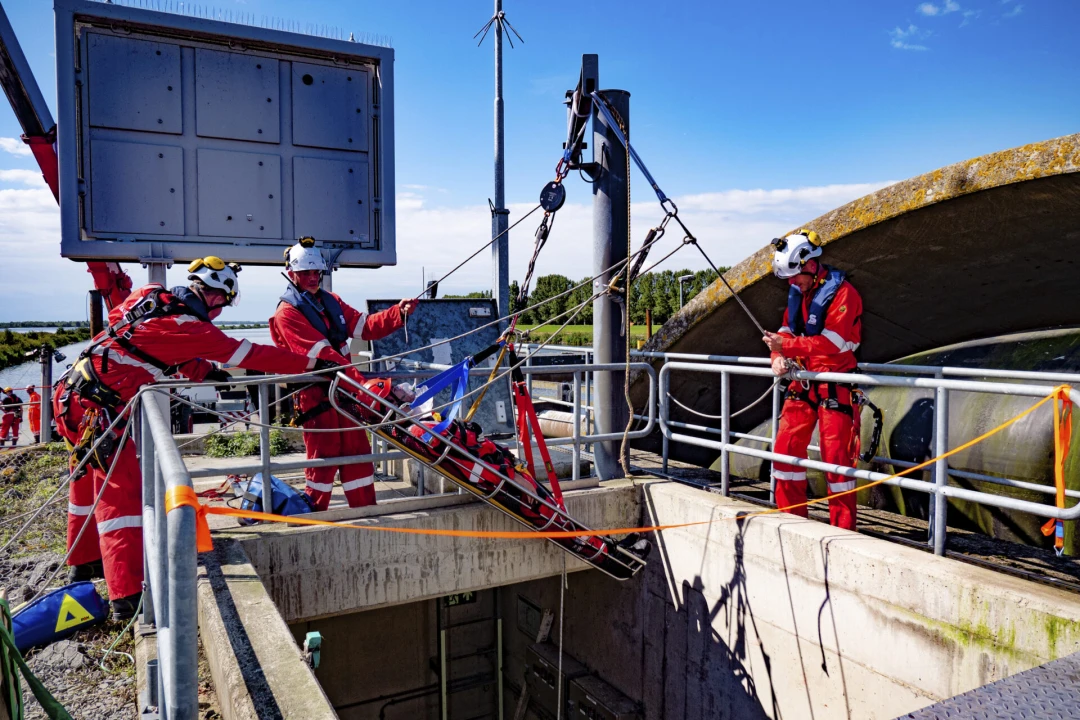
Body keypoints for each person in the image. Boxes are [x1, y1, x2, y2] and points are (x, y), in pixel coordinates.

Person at [55, 256, 337, 619]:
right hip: (99, 408)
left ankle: (84, 560)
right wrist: (314, 365)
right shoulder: (196, 329)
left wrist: (206, 371)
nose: (219, 313)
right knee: (120, 496)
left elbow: (153, 346)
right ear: (214, 297)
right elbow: (255, 354)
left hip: (73, 395)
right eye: (222, 304)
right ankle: (125, 595)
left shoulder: (150, 296)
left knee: (85, 481)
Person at [270, 236, 418, 511]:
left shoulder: (331, 302)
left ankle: (365, 511)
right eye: (306, 273)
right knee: (322, 461)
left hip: (346, 395)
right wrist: (366, 388)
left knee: (357, 455)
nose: (313, 278)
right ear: (292, 274)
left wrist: (399, 313)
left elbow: (366, 326)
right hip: (317, 399)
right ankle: (316, 517)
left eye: (316, 272)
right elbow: (325, 357)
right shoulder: (287, 314)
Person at [761, 230, 863, 530]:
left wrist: (786, 348)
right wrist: (777, 358)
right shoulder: (799, 294)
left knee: (836, 463)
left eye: (796, 277)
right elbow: (785, 333)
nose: (793, 284)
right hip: (802, 382)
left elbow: (832, 343)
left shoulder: (844, 295)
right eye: (789, 280)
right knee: (785, 451)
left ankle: (843, 534)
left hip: (835, 384)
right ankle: (791, 523)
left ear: (810, 264)